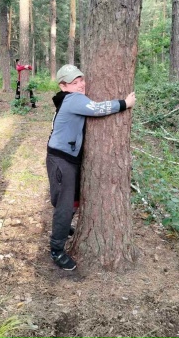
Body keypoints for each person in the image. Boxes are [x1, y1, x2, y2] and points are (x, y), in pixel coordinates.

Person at [46, 64, 136, 270]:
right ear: (63, 86)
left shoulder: (69, 98)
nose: (80, 85)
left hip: (67, 157)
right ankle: (57, 250)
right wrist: (125, 103)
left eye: (81, 80)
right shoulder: (73, 99)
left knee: (72, 200)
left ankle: (64, 227)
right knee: (65, 205)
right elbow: (97, 109)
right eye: (74, 82)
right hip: (61, 159)